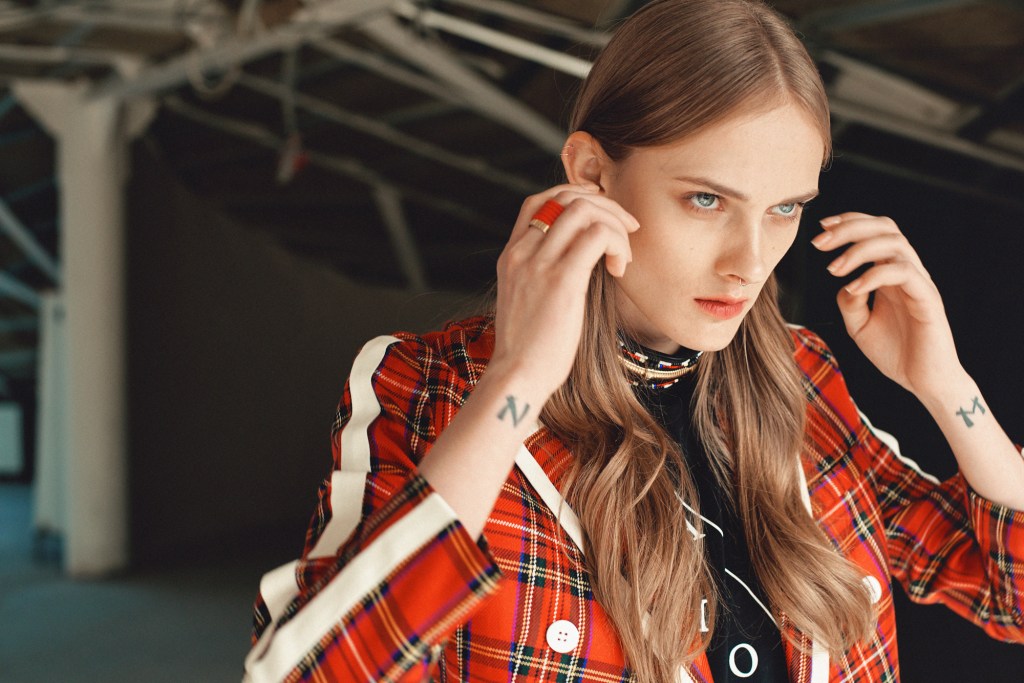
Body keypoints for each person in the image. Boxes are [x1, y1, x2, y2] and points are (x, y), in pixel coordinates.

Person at [242, 1, 1024, 681]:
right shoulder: (433, 385)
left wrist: (948, 386)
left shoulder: (801, 376)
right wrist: (518, 380)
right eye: (707, 199)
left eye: (784, 209)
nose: (750, 262)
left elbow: (1011, 594)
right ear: (592, 174)